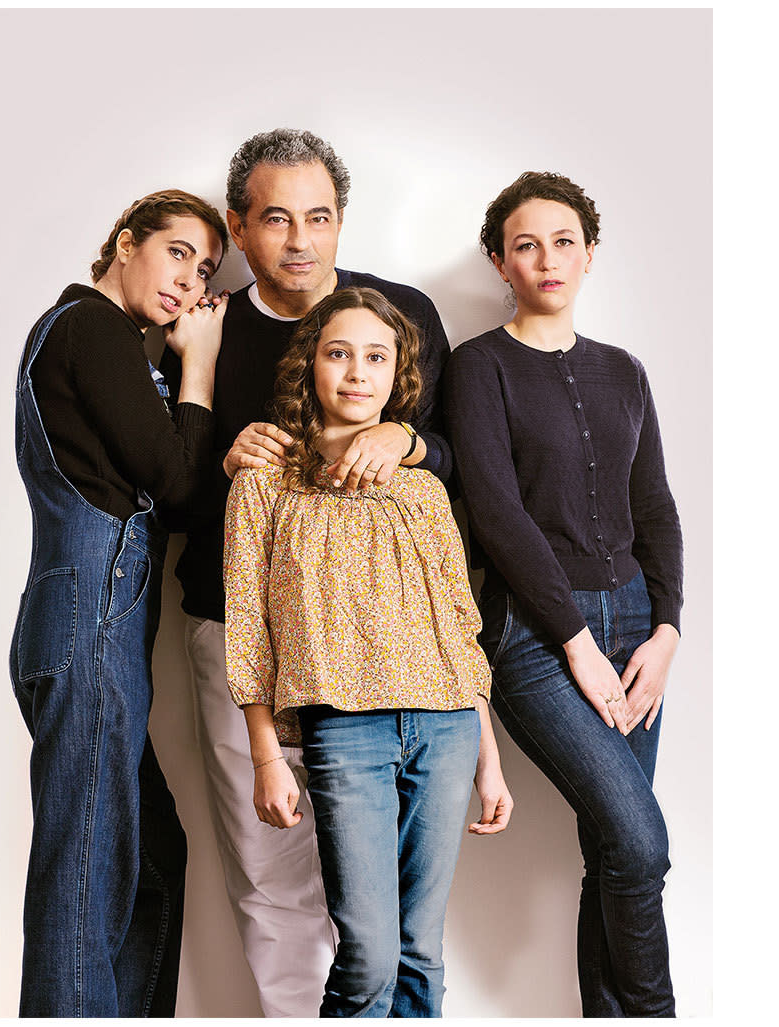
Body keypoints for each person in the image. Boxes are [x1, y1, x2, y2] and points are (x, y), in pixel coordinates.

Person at [159, 128, 453, 1016]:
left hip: (391, 650)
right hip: (244, 631)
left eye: (318, 217)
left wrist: (408, 438)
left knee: (397, 908)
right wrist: (217, 457)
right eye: (276, 219)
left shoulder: (398, 318)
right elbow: (169, 498)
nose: (299, 240)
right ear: (238, 230)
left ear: (340, 223)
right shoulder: (207, 330)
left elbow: (453, 468)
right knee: (274, 864)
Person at [223, 286, 512, 1018]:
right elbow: (249, 629)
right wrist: (264, 756)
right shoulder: (263, 484)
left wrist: (490, 756)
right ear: (310, 367)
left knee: (423, 952)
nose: (358, 372)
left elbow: (459, 626)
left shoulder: (422, 493)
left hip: (445, 725)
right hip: (343, 729)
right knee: (371, 954)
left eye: (376, 356)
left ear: (397, 375)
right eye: (340, 353)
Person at [444, 172, 682, 1017]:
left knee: (616, 850)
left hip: (635, 630)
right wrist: (579, 642)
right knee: (641, 842)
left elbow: (652, 504)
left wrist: (666, 631)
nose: (547, 258)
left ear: (589, 254)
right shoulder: (478, 369)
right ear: (500, 261)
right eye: (525, 244)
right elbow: (500, 518)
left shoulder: (625, 370)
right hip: (535, 640)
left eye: (564, 241)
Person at [9, 189, 229, 1017]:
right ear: (125, 244)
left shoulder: (96, 342)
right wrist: (198, 366)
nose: (188, 281)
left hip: (77, 618)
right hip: (89, 624)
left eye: (205, 270)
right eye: (177, 253)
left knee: (153, 852)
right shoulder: (90, 327)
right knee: (85, 868)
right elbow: (176, 488)